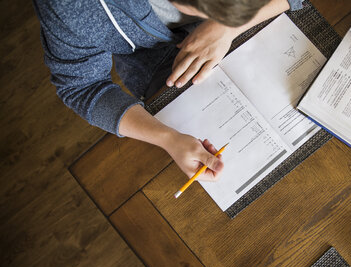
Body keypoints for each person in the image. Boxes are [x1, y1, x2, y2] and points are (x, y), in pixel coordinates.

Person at [33, 0, 303, 180]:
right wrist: (168, 139)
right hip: (157, 59)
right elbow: (82, 86)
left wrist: (228, 25)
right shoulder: (71, 10)